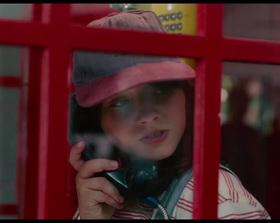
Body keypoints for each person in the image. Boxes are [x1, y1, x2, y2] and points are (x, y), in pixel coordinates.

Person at [68, 10, 270, 219]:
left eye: (159, 90)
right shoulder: (101, 198)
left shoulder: (220, 204)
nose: (147, 115)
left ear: (186, 97)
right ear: (95, 125)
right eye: (120, 102)